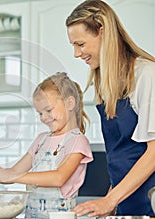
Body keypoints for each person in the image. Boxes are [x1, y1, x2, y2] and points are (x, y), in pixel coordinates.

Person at [66, 0, 155, 217]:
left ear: (102, 32)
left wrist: (110, 200)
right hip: (126, 204)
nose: (77, 54)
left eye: (81, 44)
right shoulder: (105, 85)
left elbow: (153, 153)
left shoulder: (146, 74)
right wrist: (109, 202)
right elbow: (122, 155)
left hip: (150, 204)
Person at [0, 73, 93, 218]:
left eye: (48, 110)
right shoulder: (41, 140)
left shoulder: (77, 141)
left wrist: (14, 176)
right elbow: (16, 170)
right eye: (40, 113)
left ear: (70, 104)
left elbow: (59, 178)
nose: (44, 117)